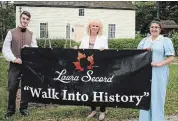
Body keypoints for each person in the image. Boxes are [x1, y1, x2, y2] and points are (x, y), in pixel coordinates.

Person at [2, 11, 38, 119]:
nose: (25, 21)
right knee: (12, 87)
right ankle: (10, 110)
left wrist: (30, 49)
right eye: (23, 18)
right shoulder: (11, 32)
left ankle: (23, 108)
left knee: (26, 87)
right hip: (15, 65)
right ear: (20, 18)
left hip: (27, 66)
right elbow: (6, 49)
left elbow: (35, 48)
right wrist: (14, 59)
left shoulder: (31, 34)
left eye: (27, 19)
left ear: (29, 21)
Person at [137, 19, 175, 121]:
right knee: (145, 96)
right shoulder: (144, 41)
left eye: (156, 27)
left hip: (159, 73)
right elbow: (137, 56)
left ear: (160, 29)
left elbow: (171, 57)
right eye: (152, 27)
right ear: (149, 29)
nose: (154, 29)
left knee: (158, 97)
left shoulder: (165, 41)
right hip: (145, 73)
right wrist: (144, 51)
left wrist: (159, 63)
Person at [78, 20, 108, 121]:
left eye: (97, 26)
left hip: (99, 67)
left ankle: (102, 111)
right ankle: (93, 109)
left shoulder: (103, 38)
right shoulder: (85, 38)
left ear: (99, 28)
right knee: (89, 88)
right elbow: (80, 51)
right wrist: (75, 49)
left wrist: (104, 50)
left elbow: (108, 52)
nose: (95, 27)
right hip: (87, 67)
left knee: (100, 89)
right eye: (93, 26)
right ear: (89, 27)